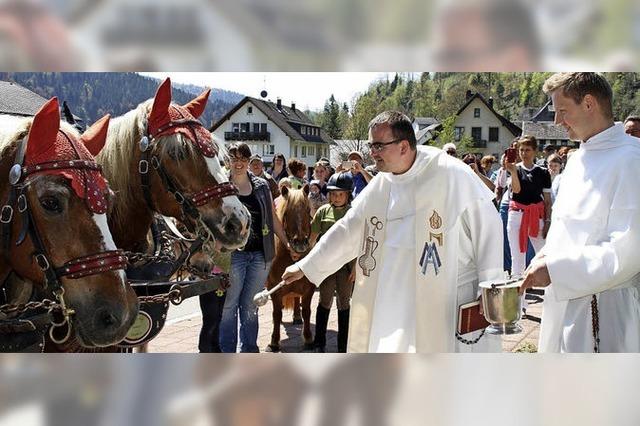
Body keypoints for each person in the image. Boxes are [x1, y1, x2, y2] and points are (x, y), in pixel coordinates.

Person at [282, 111, 503, 353]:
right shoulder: (382, 184)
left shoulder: (452, 174)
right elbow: (349, 229)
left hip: (448, 294)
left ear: (404, 146)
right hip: (396, 294)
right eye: (371, 145)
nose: (372, 153)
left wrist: (491, 288)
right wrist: (307, 265)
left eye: (378, 146)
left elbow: (488, 229)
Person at [521, 72, 640, 352]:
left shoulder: (631, 160)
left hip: (605, 311)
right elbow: (566, 230)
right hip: (562, 304)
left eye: (562, 111)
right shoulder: (576, 160)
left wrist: (557, 269)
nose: (556, 122)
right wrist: (543, 258)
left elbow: (627, 249)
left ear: (589, 103)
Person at [219, 143, 292, 352]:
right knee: (229, 305)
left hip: (260, 255)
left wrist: (286, 242)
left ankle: (249, 349)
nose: (238, 163)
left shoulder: (261, 186)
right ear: (228, 160)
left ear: (249, 161)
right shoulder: (222, 184)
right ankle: (227, 350)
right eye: (234, 158)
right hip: (232, 255)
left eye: (243, 158)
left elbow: (273, 218)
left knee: (251, 304)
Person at [309, 172, 356, 352]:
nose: (336, 198)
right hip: (327, 267)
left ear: (348, 195)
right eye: (333, 194)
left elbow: (357, 242)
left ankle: (343, 345)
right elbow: (313, 239)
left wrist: (356, 268)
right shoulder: (323, 212)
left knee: (344, 303)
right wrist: (310, 261)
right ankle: (319, 342)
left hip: (346, 267)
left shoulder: (353, 213)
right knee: (324, 301)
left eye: (340, 194)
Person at [505, 135, 552, 278]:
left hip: (536, 215)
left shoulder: (543, 172)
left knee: (545, 255)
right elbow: (516, 191)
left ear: (535, 151)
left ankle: (550, 294)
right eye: (521, 150)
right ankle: (518, 298)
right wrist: (512, 172)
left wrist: (548, 221)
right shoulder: (514, 169)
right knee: (517, 259)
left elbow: (548, 200)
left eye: (527, 150)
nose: (524, 154)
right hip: (517, 214)